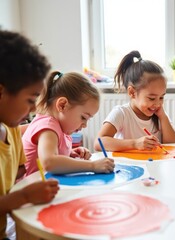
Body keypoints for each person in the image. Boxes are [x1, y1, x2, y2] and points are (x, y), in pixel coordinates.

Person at [0, 30, 59, 239]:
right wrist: (24, 195)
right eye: (30, 99)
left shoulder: (12, 128)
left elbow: (19, 170)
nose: (34, 108)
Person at [22, 71, 115, 176]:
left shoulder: (59, 128)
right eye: (83, 117)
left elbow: (52, 153)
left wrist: (69, 153)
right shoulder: (47, 127)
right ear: (62, 105)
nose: (85, 125)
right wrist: (92, 165)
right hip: (30, 187)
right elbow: (49, 162)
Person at [94, 50, 175, 152]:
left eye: (161, 97)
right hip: (129, 166)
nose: (158, 104)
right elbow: (98, 143)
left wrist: (163, 117)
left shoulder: (159, 114)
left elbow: (174, 144)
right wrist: (134, 144)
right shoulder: (122, 113)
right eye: (151, 98)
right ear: (132, 92)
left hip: (155, 164)